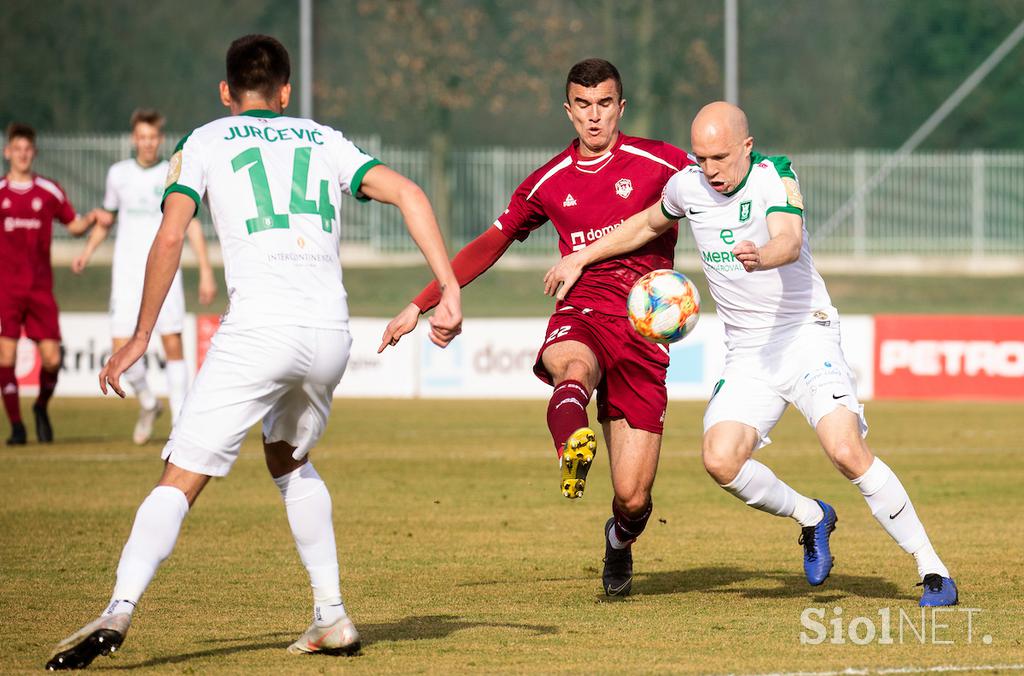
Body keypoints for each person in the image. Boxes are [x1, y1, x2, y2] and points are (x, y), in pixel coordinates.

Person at [46, 34, 462, 670]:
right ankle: (331, 616)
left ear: (225, 92)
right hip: (329, 333)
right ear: (286, 92)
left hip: (260, 331)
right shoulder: (324, 138)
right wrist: (448, 291)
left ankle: (119, 609)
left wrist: (138, 336)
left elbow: (168, 239)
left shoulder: (204, 140)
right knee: (288, 457)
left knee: (181, 476)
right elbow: (411, 194)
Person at [543, 101, 958, 607]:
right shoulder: (688, 185)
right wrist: (579, 257)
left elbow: (788, 237)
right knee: (720, 460)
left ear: (746, 145)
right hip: (748, 353)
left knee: (845, 449)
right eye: (700, 158)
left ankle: (932, 568)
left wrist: (762, 256)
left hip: (805, 334)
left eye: (719, 157)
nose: (709, 170)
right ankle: (811, 517)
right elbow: (645, 225)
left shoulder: (774, 175)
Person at [380, 58, 693, 597]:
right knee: (572, 366)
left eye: (605, 105)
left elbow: (720, 184)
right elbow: (488, 245)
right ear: (568, 110)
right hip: (583, 310)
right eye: (583, 106)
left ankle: (618, 542)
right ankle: (572, 441)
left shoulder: (661, 162)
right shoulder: (549, 181)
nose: (594, 118)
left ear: (622, 107)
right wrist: (421, 302)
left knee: (634, 498)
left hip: (644, 329)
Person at [73, 108, 218, 444]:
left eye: (153, 137)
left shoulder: (173, 174)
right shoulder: (118, 174)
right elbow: (106, 221)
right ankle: (150, 405)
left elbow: (190, 224)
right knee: (120, 351)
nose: (148, 143)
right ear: (133, 139)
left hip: (165, 274)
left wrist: (207, 270)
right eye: (142, 137)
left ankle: (179, 426)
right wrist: (86, 252)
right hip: (126, 277)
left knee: (172, 344)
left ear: (160, 139)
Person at [1, 123, 96, 445]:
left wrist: (94, 217)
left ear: (34, 153)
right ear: (8, 152)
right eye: (17, 149)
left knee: (53, 359)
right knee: (6, 356)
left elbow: (73, 226)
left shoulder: (49, 191)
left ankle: (41, 407)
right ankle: (16, 426)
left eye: (28, 149)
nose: (23, 154)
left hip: (40, 289)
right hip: (7, 290)